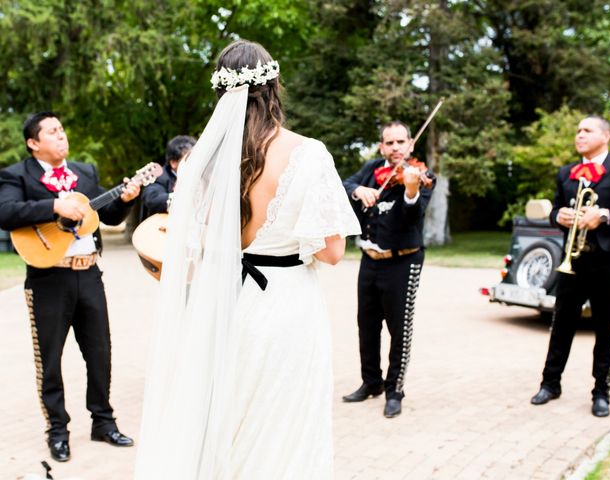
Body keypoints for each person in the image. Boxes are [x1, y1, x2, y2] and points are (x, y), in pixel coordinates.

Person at [134, 40, 360, 478]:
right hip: (288, 306)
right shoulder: (308, 153)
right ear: (275, 85)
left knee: (226, 419)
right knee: (286, 424)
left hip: (225, 306)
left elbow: (190, 254)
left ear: (223, 93)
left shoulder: (202, 162)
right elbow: (332, 252)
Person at [0, 112, 139, 462]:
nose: (61, 135)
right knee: (49, 360)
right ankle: (57, 430)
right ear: (34, 143)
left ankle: (103, 422)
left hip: (89, 274)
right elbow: (5, 211)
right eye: (52, 131)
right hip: (48, 279)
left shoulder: (85, 172)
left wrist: (125, 198)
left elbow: (105, 217)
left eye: (62, 129)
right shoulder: (17, 174)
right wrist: (53, 206)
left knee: (100, 352)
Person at [530, 116, 610, 417]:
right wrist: (559, 216)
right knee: (561, 325)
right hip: (574, 261)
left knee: (606, 329)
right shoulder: (566, 173)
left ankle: (601, 391)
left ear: (605, 136)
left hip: (608, 262)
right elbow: (554, 209)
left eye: (587, 130)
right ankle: (550, 384)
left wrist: (603, 215)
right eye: (578, 130)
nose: (579, 135)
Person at [342, 121, 435, 418]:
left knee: (399, 328)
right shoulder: (371, 168)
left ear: (411, 145)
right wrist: (359, 190)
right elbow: (343, 185)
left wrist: (410, 189)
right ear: (382, 146)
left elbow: (413, 216)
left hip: (403, 261)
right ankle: (371, 382)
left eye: (400, 142)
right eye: (389, 143)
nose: (395, 148)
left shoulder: (422, 175)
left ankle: (394, 390)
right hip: (369, 259)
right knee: (366, 325)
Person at [141, 134, 195, 216]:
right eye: (188, 159)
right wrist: (184, 197)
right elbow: (152, 199)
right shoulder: (159, 177)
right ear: (173, 162)